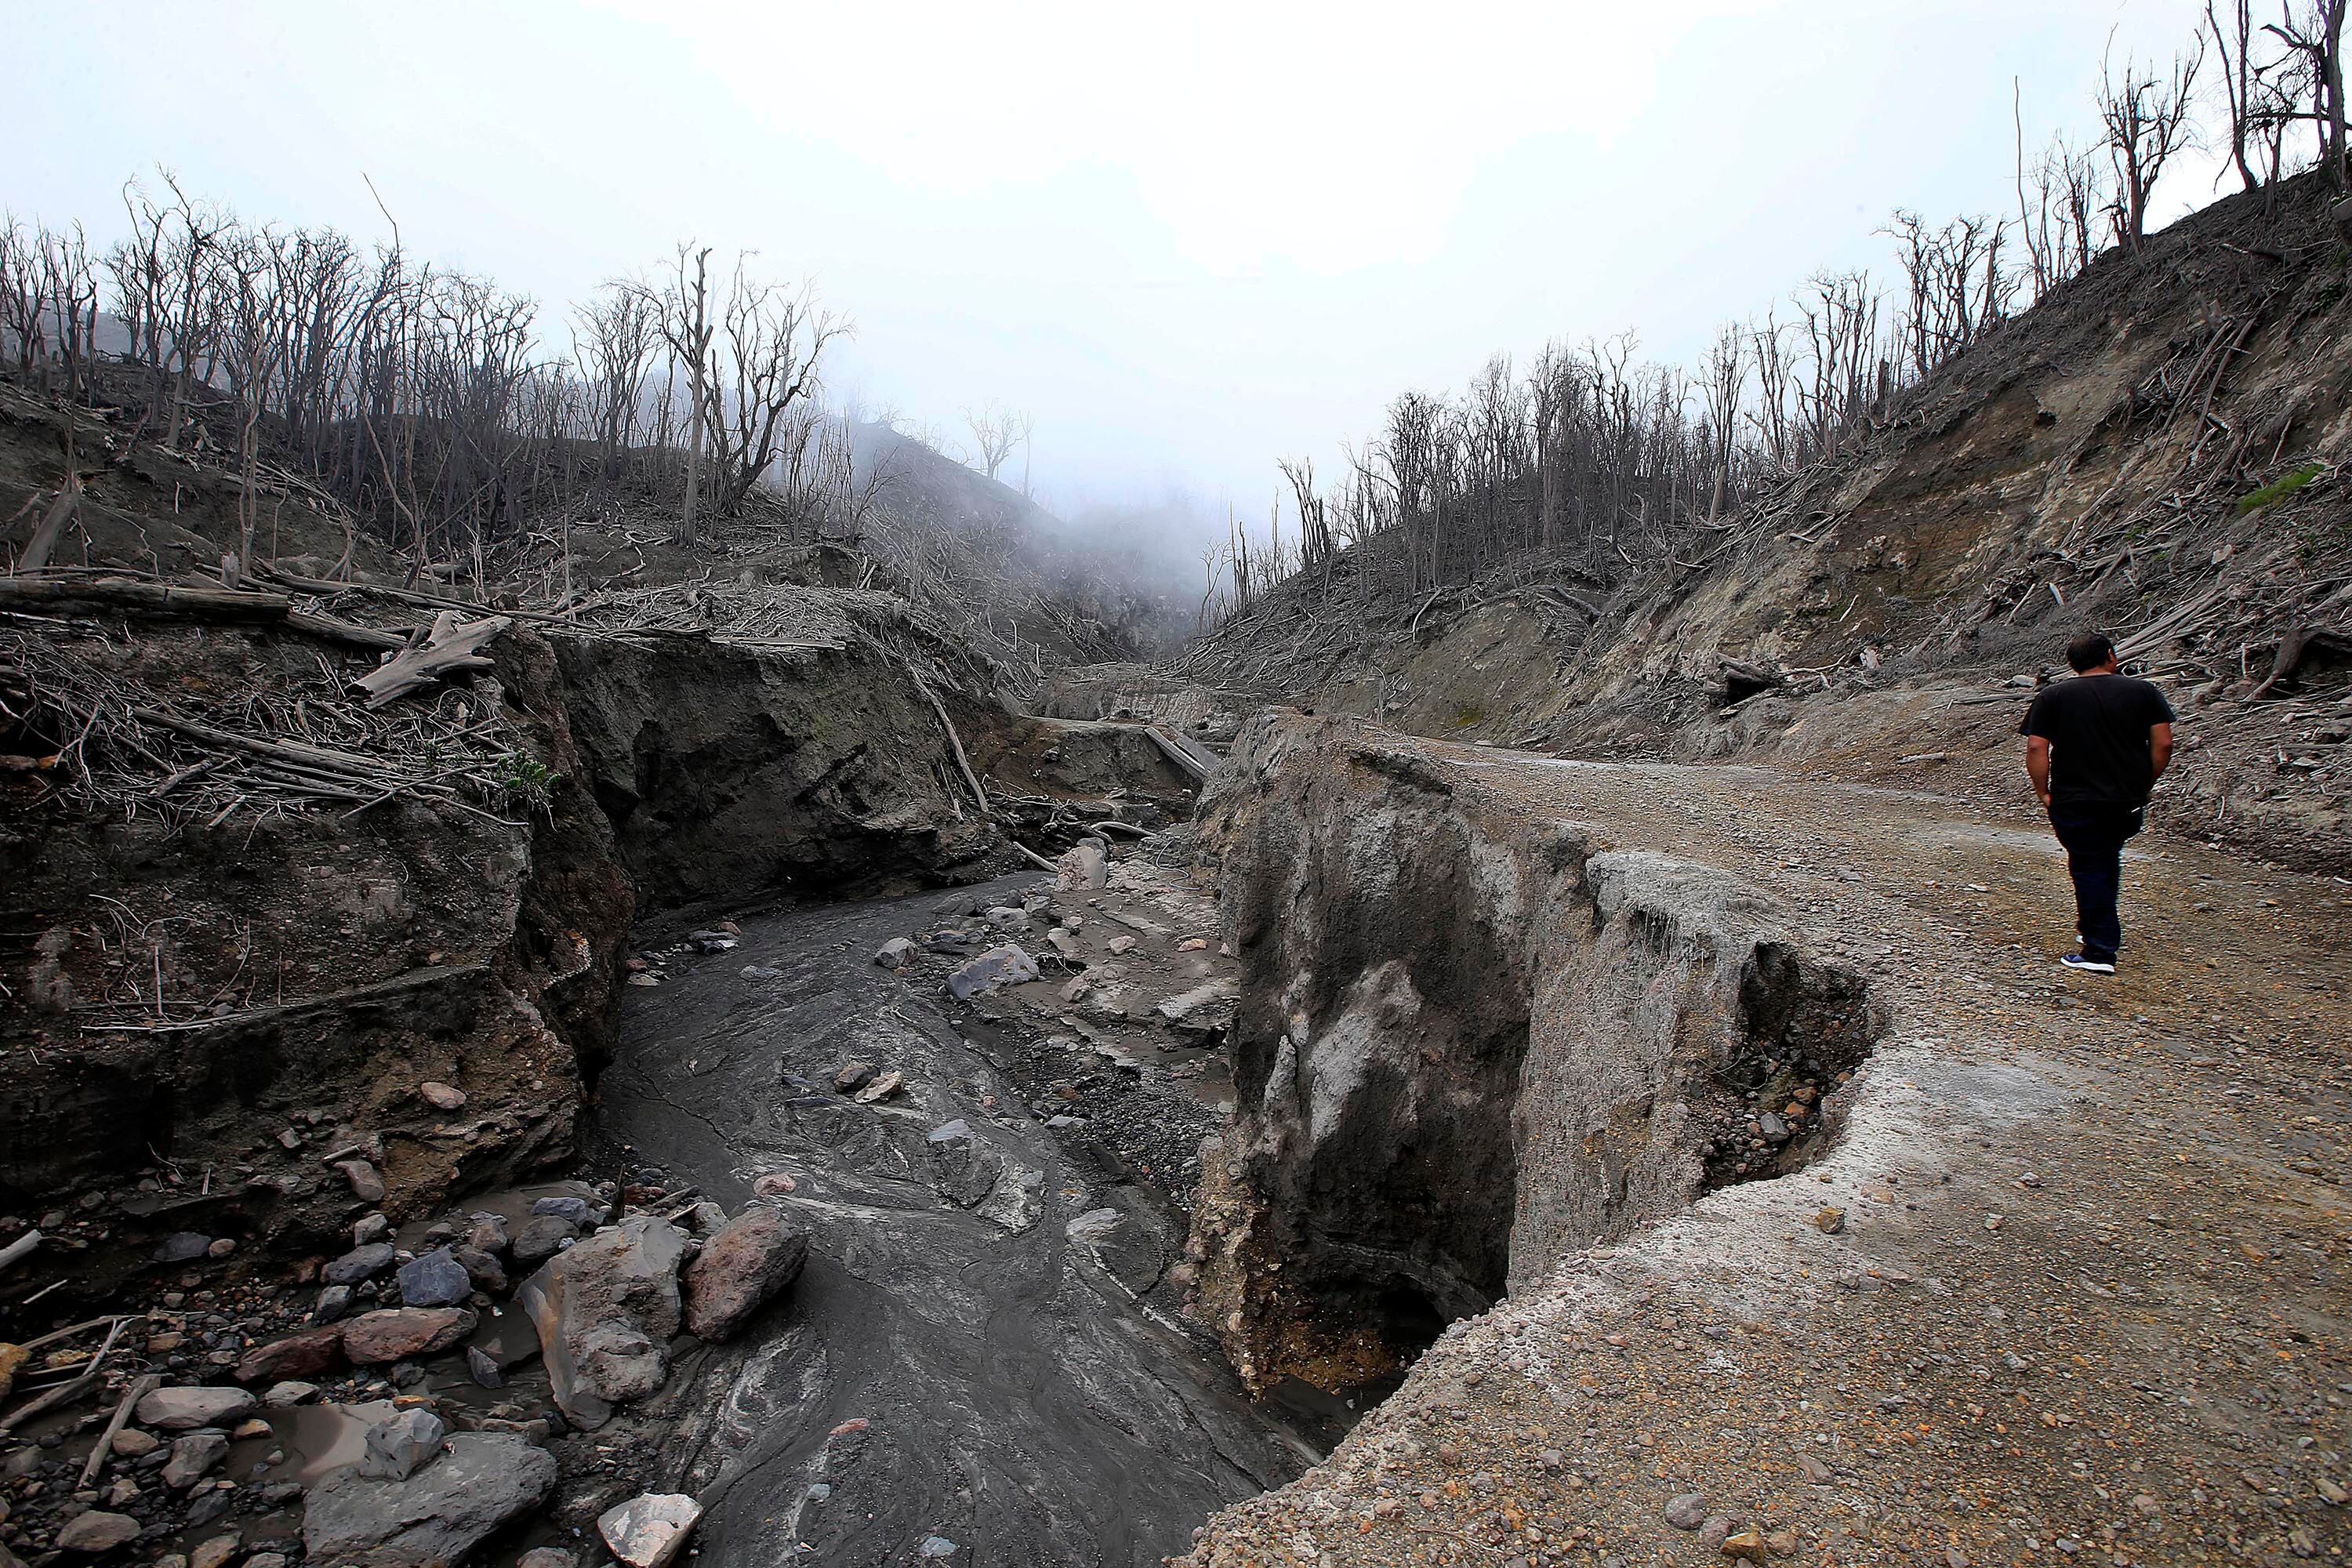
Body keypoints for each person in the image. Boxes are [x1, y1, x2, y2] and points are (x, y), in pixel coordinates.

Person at [2020, 632, 2175, 974]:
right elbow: (2163, 744)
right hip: (2126, 798)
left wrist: (2042, 790)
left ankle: (2099, 950)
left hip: (2075, 797)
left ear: (2072, 664)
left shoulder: (2053, 696)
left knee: (2088, 863)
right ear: (2110, 655)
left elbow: (2036, 748)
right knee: (2106, 857)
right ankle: (2097, 928)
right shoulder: (2143, 691)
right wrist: (2144, 782)